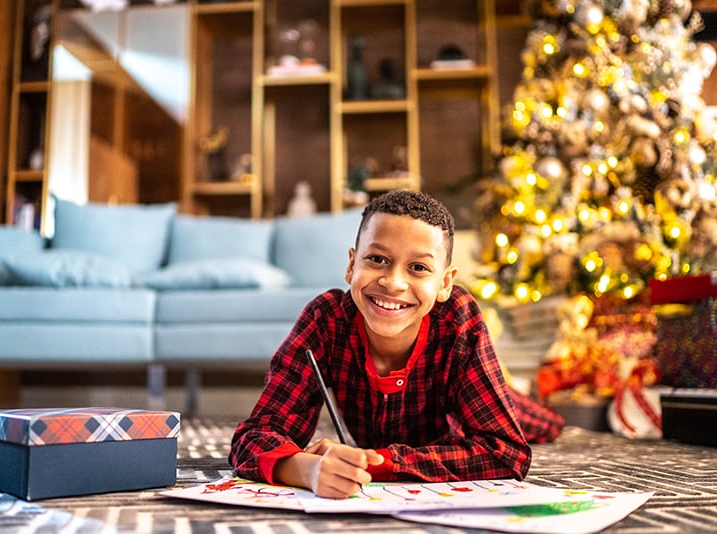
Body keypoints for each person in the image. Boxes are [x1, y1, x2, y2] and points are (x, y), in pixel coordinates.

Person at [229, 190, 564, 499]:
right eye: (377, 259)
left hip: (463, 418)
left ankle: (520, 396)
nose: (393, 282)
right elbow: (253, 437)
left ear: (445, 283)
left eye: (418, 267)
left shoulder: (458, 319)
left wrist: (377, 464)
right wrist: (305, 468)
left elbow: (507, 453)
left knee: (542, 422)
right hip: (418, 446)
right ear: (351, 265)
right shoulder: (326, 319)